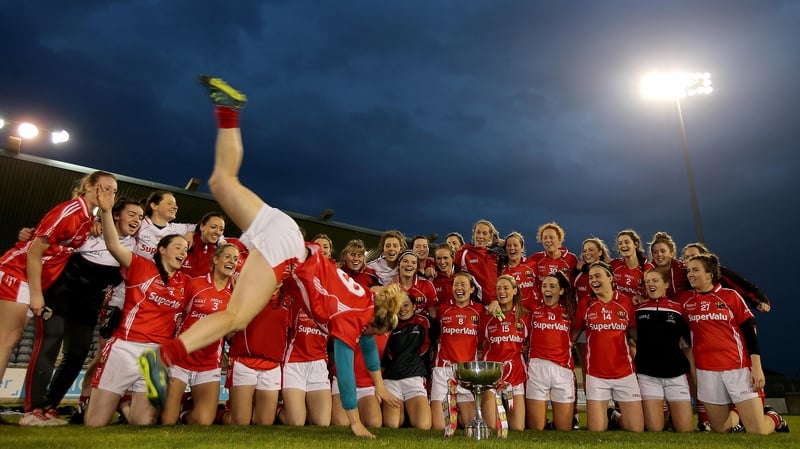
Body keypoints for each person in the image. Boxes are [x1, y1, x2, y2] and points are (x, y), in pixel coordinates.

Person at [137, 75, 404, 439]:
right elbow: (345, 370)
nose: (365, 338)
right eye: (370, 332)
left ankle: (228, 109)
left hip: (286, 230)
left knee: (222, 181)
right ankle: (161, 358)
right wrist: (355, 422)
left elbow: (368, 347)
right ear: (372, 322)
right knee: (235, 318)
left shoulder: (364, 303)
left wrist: (380, 384)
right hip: (287, 253)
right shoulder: (353, 319)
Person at [0, 170, 117, 426]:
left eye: (113, 190)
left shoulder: (88, 217)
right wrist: (37, 294)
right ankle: (33, 412)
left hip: (31, 280)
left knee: (9, 341)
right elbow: (34, 251)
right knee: (6, 342)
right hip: (17, 273)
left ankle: (37, 411)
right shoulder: (69, 210)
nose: (109, 193)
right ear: (89, 186)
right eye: (104, 187)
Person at [21, 197, 142, 426]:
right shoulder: (90, 231)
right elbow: (50, 237)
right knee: (50, 342)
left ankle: (49, 407)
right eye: (132, 214)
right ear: (116, 215)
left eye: (140, 216)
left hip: (89, 303)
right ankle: (32, 409)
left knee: (78, 353)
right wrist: (29, 234)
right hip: (60, 294)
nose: (137, 219)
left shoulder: (134, 245)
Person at [84, 188, 190, 427]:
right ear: (162, 249)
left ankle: (124, 406)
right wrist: (106, 212)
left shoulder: (186, 282)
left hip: (156, 357)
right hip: (124, 348)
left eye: (186, 249)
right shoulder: (141, 266)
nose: (183, 252)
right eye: (178, 247)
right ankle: (115, 403)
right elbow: (113, 244)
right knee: (95, 423)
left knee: (144, 423)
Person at [683, 253, 788, 434]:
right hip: (706, 371)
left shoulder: (730, 296)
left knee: (758, 431)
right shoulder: (686, 301)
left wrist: (756, 367)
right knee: (720, 429)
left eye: (695, 270)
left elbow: (750, 331)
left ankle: (774, 418)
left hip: (737, 369)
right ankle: (739, 416)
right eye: (688, 271)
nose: (690, 274)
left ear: (709, 274)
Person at [161, 243, 239, 425]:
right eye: (227, 257)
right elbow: (176, 312)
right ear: (215, 259)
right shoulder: (195, 284)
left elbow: (230, 331)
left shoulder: (236, 295)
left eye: (235, 259)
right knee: (167, 421)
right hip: (181, 359)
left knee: (203, 422)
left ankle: (184, 412)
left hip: (208, 363)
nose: (232, 261)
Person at [573, 261, 643, 432]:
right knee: (597, 429)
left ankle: (614, 416)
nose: (593, 280)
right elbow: (573, 334)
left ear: (610, 278)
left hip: (624, 373)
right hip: (596, 374)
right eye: (590, 277)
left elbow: (634, 333)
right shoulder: (585, 304)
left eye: (598, 276)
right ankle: (610, 415)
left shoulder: (625, 302)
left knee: (636, 429)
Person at [633, 268, 693, 432]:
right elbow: (630, 337)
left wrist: (692, 373)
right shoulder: (637, 309)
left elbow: (688, 344)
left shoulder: (678, 309)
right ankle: (616, 416)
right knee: (655, 428)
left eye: (655, 280)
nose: (650, 284)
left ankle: (671, 415)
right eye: (647, 282)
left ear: (666, 284)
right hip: (648, 375)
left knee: (685, 430)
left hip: (676, 374)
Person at [222, 289, 290, 426]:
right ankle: (219, 414)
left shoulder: (289, 298)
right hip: (244, 362)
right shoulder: (248, 292)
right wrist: (237, 342)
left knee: (265, 423)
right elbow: (228, 319)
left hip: (272, 365)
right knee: (240, 422)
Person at [430, 272, 483, 430]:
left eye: (463, 284)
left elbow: (483, 340)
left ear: (472, 289)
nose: (459, 288)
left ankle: (457, 413)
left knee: (471, 426)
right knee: (440, 427)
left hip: (467, 372)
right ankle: (451, 411)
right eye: (456, 285)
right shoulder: (443, 309)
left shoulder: (479, 310)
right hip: (443, 371)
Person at [526, 272, 576, 431]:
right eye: (544, 286)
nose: (547, 289)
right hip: (537, 368)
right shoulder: (533, 307)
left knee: (564, 430)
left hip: (563, 370)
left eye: (552, 286)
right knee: (536, 429)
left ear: (561, 291)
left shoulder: (570, 310)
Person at [480, 275, 529, 431]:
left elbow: (531, 342)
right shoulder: (487, 316)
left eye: (506, 288)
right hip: (491, 376)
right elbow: (477, 341)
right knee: (492, 427)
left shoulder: (525, 316)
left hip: (515, 376)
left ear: (515, 291)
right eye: (499, 288)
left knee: (518, 428)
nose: (502, 291)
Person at [381, 293, 433, 430]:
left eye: (406, 305)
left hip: (414, 379)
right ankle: (402, 412)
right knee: (392, 425)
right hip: (391, 381)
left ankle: (409, 409)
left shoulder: (425, 322)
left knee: (423, 426)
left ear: (414, 306)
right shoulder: (387, 325)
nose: (402, 309)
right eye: (399, 306)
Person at [279, 297, 332, 427]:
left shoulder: (331, 305)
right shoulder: (295, 301)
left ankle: (304, 408)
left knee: (322, 423)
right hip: (294, 364)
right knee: (296, 422)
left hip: (318, 366)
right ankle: (278, 409)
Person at [682, 243, 771, 312]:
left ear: (704, 256)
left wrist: (760, 302)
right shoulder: (684, 278)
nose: (690, 259)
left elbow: (746, 288)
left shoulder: (721, 273)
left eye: (693, 255)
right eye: (686, 257)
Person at [455, 219, 502, 306]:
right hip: (475, 305)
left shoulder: (495, 256)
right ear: (474, 234)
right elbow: (443, 261)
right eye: (478, 232)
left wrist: (503, 243)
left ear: (490, 237)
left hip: (496, 305)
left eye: (484, 233)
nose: (480, 236)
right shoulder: (463, 253)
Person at [526, 222, 578, 287]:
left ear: (559, 239)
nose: (548, 240)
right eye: (545, 238)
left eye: (551, 237)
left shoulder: (571, 258)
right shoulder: (536, 258)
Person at [610, 229, 653, 306]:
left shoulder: (648, 268)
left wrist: (643, 298)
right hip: (618, 309)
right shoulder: (614, 265)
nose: (623, 245)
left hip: (640, 309)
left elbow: (655, 293)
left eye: (627, 242)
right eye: (620, 243)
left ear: (636, 244)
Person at [180, 212, 229, 278]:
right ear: (202, 227)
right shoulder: (186, 243)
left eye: (221, 229)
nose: (217, 232)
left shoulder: (217, 253)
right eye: (213, 227)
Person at [500, 231, 539, 310]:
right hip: (513, 312)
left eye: (515, 245)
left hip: (533, 311)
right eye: (508, 245)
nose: (512, 248)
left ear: (522, 248)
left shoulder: (532, 265)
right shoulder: (501, 270)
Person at [394, 250, 438, 316]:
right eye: (405, 261)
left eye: (414, 262)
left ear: (417, 267)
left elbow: (433, 313)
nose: (409, 264)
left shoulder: (427, 285)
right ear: (398, 264)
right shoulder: (391, 287)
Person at [648, 231, 689, 299]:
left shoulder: (683, 269)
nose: (659, 254)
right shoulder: (647, 271)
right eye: (655, 252)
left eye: (663, 251)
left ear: (672, 253)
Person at [431, 243, 458, 314]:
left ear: (453, 258)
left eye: (445, 258)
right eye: (438, 258)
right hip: (441, 318)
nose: (442, 262)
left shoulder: (464, 276)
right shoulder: (431, 279)